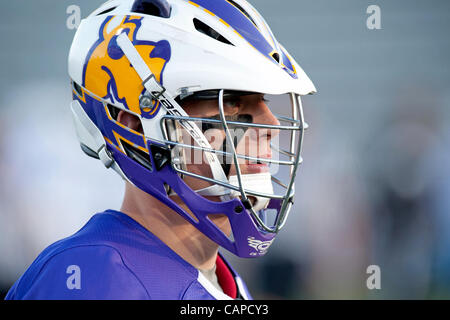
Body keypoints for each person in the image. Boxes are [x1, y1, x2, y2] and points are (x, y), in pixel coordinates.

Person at [5, 0, 315, 300]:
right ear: (135, 127)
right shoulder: (95, 280)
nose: (272, 126)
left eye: (264, 101)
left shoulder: (220, 279)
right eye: (232, 101)